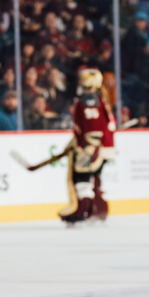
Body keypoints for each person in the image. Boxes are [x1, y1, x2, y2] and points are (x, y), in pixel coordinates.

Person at [59, 69, 116, 224]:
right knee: (94, 177)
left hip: (92, 146)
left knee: (81, 177)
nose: (81, 82)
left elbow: (92, 127)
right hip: (103, 147)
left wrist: (86, 145)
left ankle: (83, 211)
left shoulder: (88, 99)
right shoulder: (100, 97)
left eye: (84, 80)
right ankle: (97, 210)